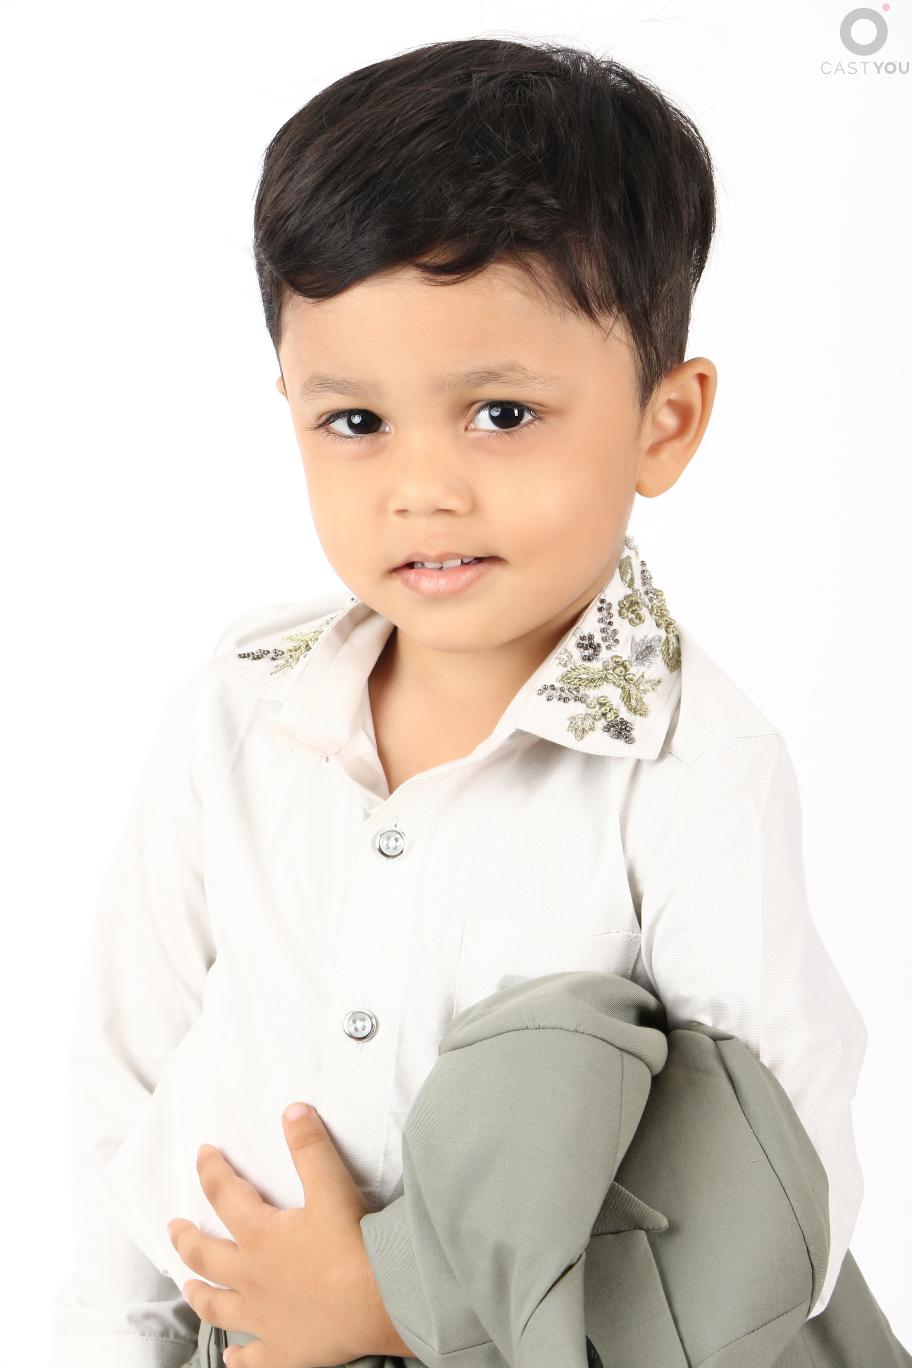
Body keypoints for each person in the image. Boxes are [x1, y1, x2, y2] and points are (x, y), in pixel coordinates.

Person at [49, 36, 871, 1368]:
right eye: (355, 423)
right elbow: (124, 1074)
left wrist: (394, 1304)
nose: (421, 489)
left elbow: (783, 1205)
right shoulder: (238, 714)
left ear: (664, 422)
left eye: (500, 414)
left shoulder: (690, 774)